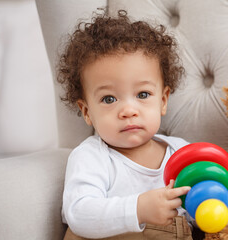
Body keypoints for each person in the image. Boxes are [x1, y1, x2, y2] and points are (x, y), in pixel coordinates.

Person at [58, 9, 194, 239]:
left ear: (162, 101)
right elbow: (78, 214)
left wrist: (220, 199)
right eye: (109, 99)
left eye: (142, 94)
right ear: (87, 111)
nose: (128, 111)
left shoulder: (181, 152)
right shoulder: (91, 157)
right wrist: (138, 209)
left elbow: (200, 215)